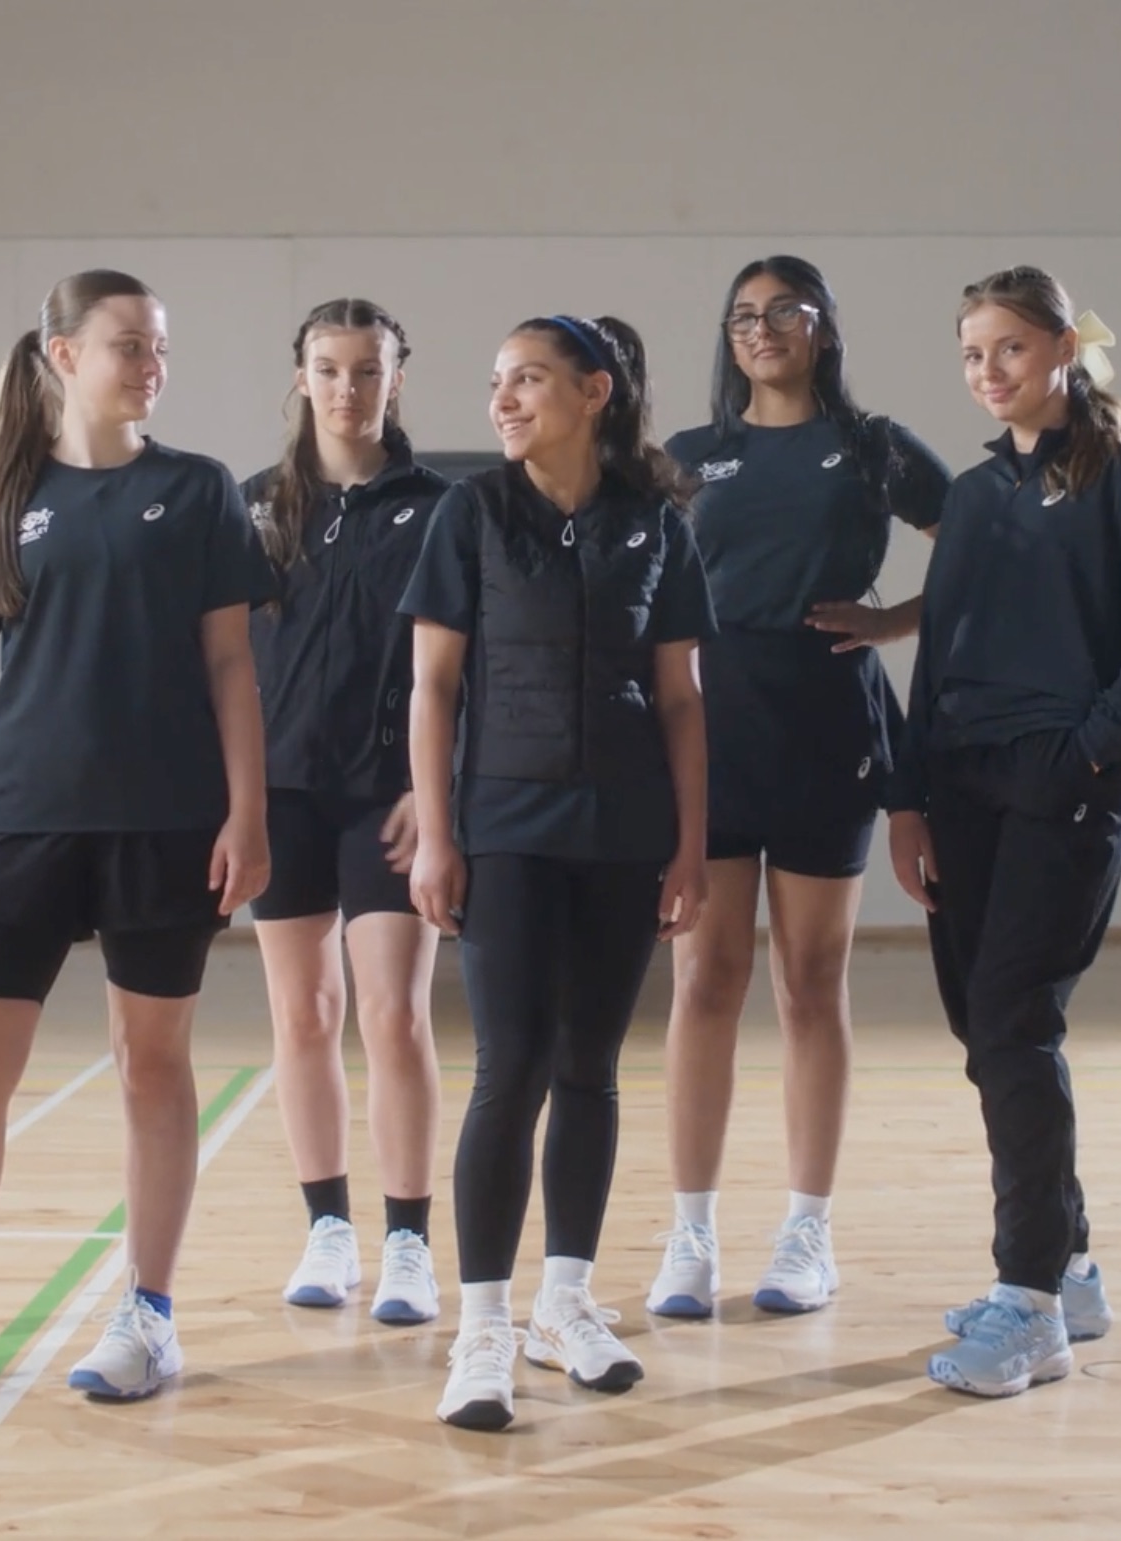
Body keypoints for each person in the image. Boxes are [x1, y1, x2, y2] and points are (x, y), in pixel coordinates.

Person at [0, 269, 269, 1409]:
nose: (151, 363)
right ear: (65, 355)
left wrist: (249, 811)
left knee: (151, 1065)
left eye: (160, 345)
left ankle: (148, 1314)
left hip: (165, 822)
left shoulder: (199, 488)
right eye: (129, 344)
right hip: (21, 819)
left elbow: (232, 661)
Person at [888, 265, 1121, 1396]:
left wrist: (1094, 750)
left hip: (1064, 781)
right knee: (983, 1027)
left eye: (1009, 348)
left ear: (1064, 347)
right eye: (972, 354)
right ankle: (1066, 1268)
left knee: (1014, 1021)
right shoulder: (977, 495)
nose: (988, 371)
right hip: (963, 787)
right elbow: (939, 655)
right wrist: (910, 797)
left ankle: (1026, 1306)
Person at [401, 313, 716, 1430]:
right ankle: (482, 1326)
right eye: (498, 381)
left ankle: (565, 1300)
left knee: (591, 1065)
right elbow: (433, 687)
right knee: (511, 1065)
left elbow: (679, 698)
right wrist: (437, 835)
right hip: (506, 828)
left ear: (593, 392)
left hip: (624, 831)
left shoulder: (656, 523)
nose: (503, 399)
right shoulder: (472, 514)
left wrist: (688, 842)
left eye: (528, 379)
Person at [652, 256, 949, 1319]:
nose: (762, 328)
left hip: (828, 732)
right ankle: (690, 1232)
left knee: (812, 982)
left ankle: (806, 1231)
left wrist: (893, 621)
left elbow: (983, 547)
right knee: (705, 978)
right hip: (713, 737)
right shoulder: (689, 458)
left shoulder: (872, 447)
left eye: (784, 310)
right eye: (743, 315)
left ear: (822, 326)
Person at [242, 298, 450, 1323]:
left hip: (388, 797)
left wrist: (434, 786)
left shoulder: (442, 509)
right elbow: (218, 662)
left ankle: (409, 1240)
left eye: (368, 369)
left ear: (395, 379)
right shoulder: (252, 507)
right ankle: (328, 1227)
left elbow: (462, 666)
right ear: (301, 377)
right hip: (279, 794)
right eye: (329, 368)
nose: (348, 388)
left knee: (393, 1013)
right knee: (303, 1013)